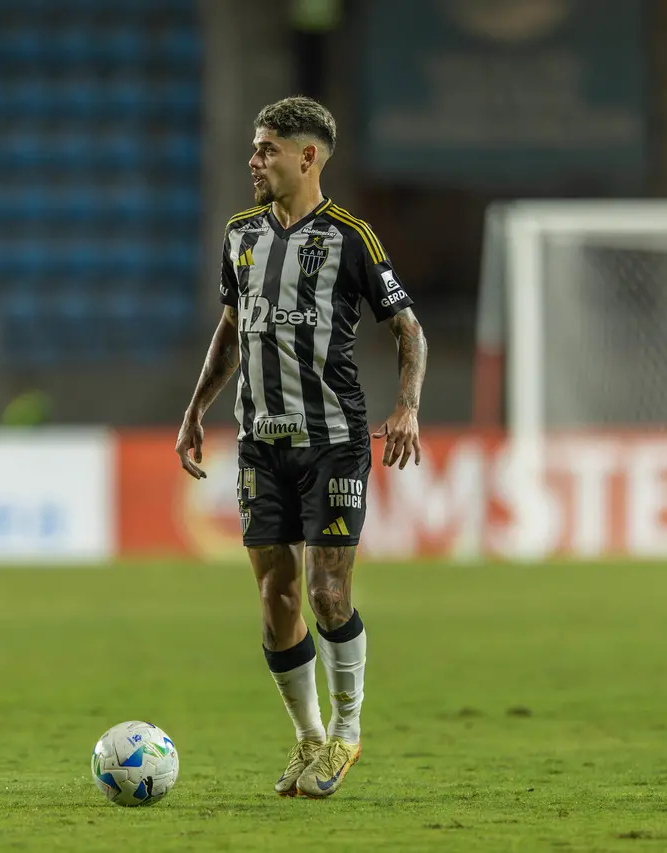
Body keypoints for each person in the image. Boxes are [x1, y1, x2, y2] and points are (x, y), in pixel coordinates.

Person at [175, 96, 428, 798]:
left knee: (326, 592)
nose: (253, 160)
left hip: (333, 444)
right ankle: (308, 738)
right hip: (261, 445)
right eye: (254, 149)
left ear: (306, 156)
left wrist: (406, 405)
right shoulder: (240, 235)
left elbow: (408, 329)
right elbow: (231, 331)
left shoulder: (351, 239)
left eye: (266, 149)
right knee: (276, 597)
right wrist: (196, 408)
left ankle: (347, 731)